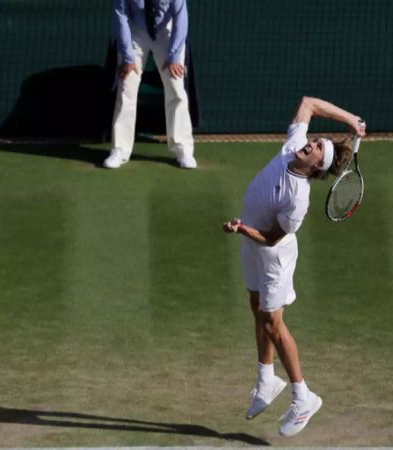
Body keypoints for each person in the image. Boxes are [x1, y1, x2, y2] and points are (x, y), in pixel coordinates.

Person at [222, 96, 365, 437]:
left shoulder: (298, 199)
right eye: (314, 141)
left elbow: (271, 238)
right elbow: (308, 103)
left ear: (317, 166)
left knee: (273, 322)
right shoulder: (292, 146)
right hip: (252, 245)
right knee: (256, 305)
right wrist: (349, 120)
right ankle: (266, 380)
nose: (309, 144)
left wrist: (242, 228)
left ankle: (303, 397)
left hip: (273, 256)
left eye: (316, 147)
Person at [104, 0, 196, 170]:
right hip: (135, 31)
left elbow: (181, 17)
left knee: (176, 87)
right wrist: (127, 57)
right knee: (126, 87)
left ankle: (183, 149)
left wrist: (174, 55)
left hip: (166, 32)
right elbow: (121, 16)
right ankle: (120, 150)